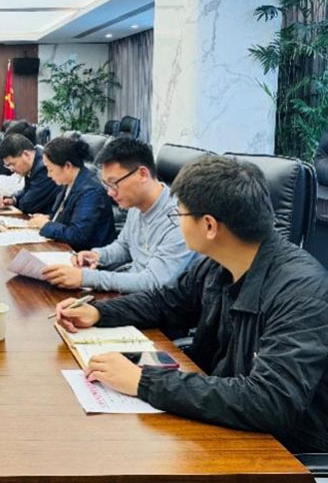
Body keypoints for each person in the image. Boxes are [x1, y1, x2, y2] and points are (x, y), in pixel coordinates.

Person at [54, 156, 328, 453]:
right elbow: (166, 301)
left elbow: (270, 401)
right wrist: (98, 311)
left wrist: (144, 381)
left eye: (180, 214)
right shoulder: (219, 264)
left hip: (280, 452)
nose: (178, 222)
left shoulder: (301, 292)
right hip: (222, 422)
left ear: (209, 225)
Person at [42, 137, 192, 292]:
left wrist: (85, 278)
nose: (110, 193)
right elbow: (124, 246)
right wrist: (98, 256)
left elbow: (153, 281)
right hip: (129, 289)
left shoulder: (180, 220)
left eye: (113, 183)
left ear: (142, 174)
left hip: (153, 299)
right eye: (107, 184)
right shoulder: (136, 204)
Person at [27, 137, 115, 250]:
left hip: (86, 254)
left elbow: (77, 235)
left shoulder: (91, 192)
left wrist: (46, 225)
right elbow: (68, 217)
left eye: (50, 169)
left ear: (67, 166)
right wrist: (49, 218)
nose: (48, 175)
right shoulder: (68, 181)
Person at [0, 133, 59, 215]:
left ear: (26, 155)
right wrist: (13, 199)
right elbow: (27, 190)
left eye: (12, 164)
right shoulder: (34, 161)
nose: (12, 169)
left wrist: (17, 201)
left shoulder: (44, 168)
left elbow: (28, 205)